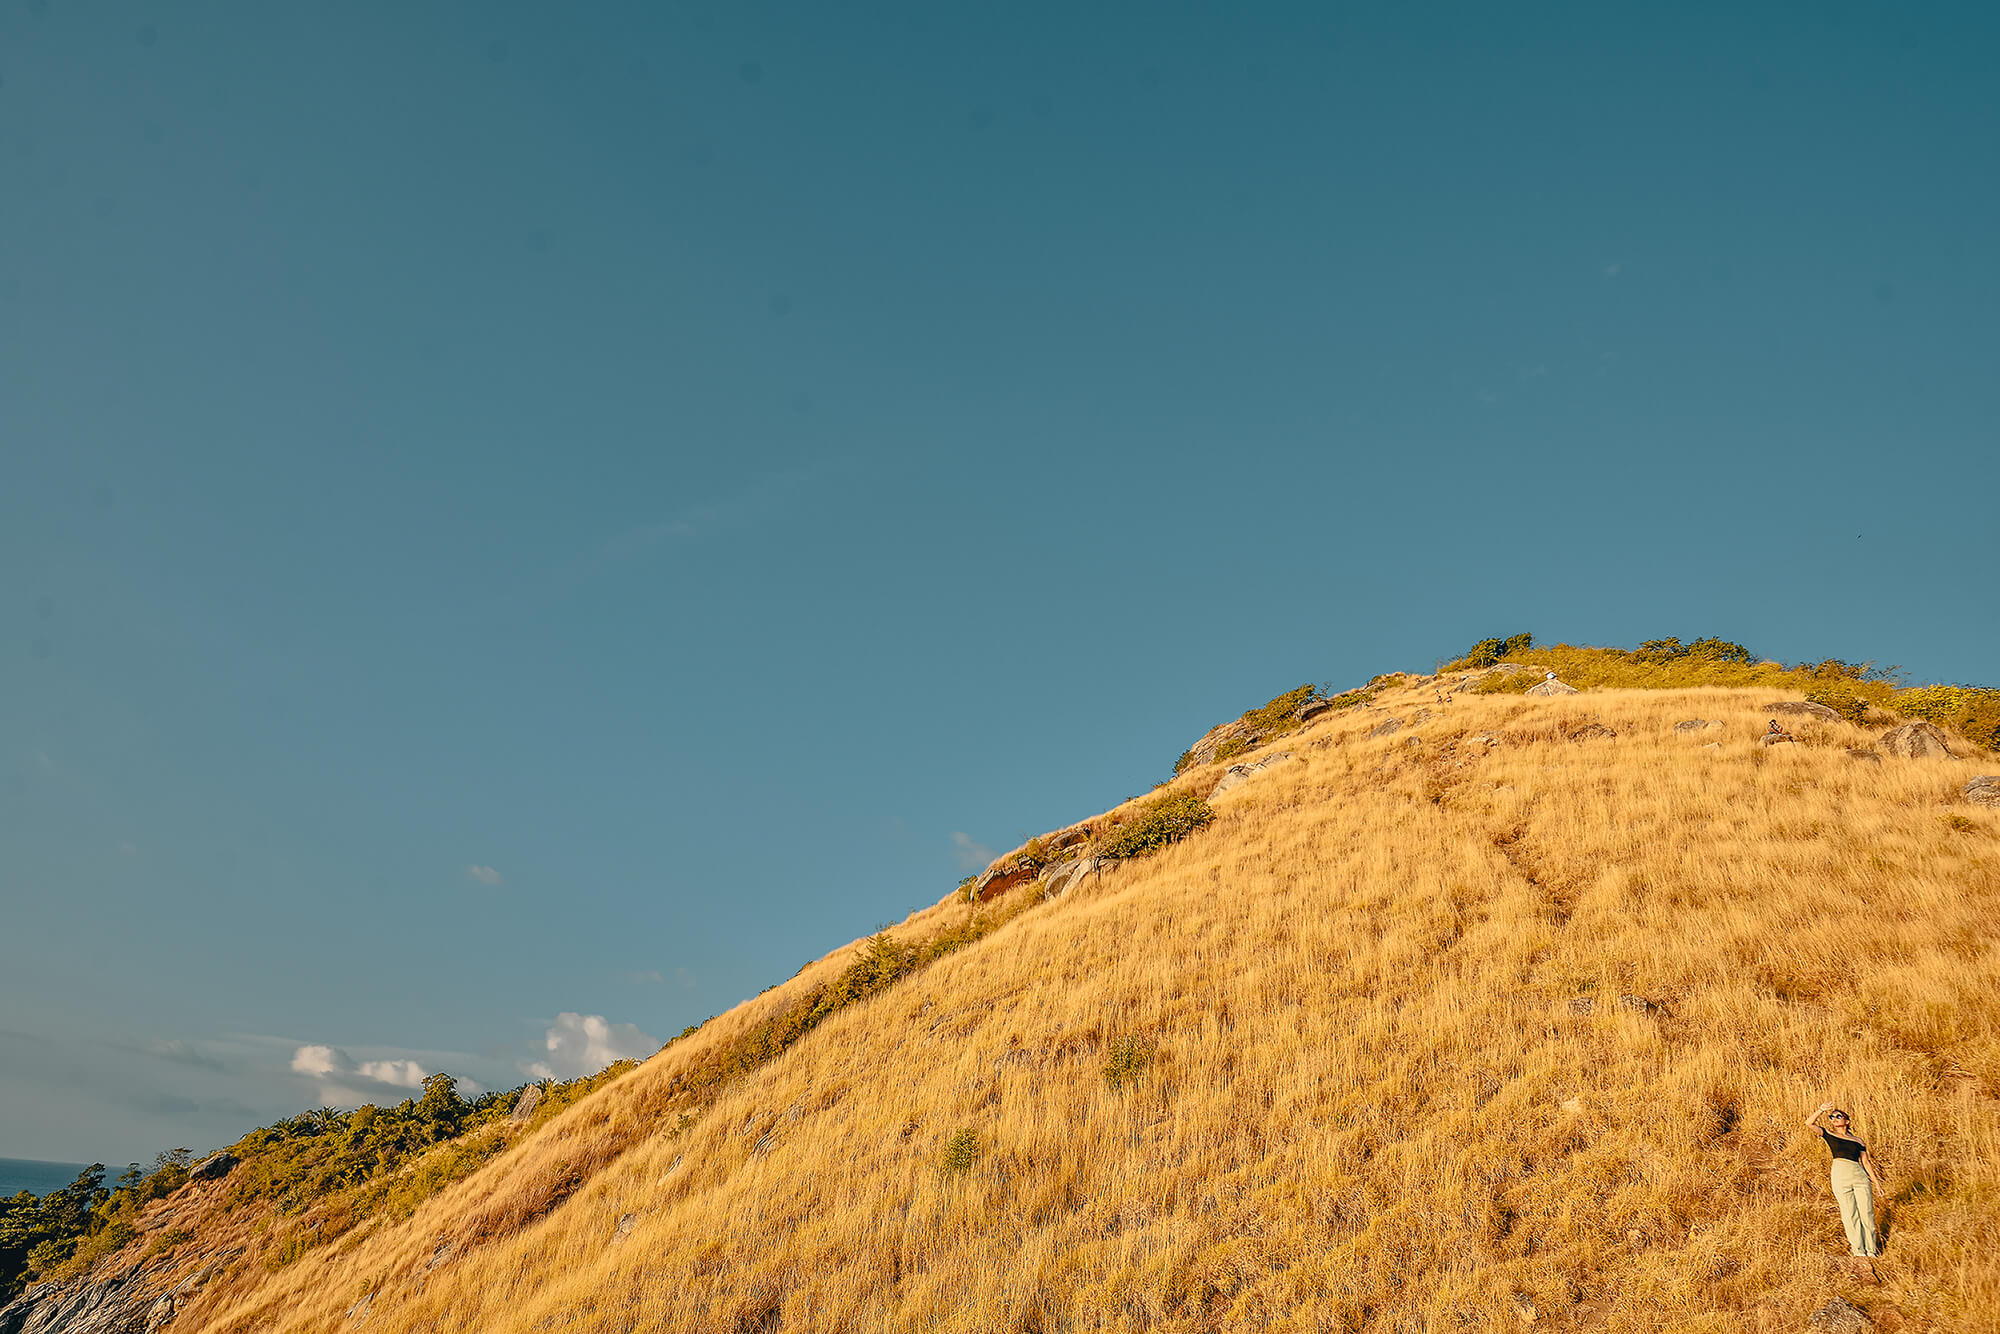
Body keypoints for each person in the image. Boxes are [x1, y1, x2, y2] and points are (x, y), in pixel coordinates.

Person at [1804, 1101, 1884, 1276]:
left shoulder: (1857, 1140)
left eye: (1838, 1116)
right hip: (1840, 1174)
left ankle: (1872, 1250)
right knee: (1849, 1213)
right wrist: (1821, 1110)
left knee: (1867, 1212)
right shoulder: (1830, 1135)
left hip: (1859, 1175)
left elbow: (1865, 1162)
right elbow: (1808, 1124)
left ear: (1847, 1120)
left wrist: (1876, 1182)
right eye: (1832, 1117)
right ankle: (1859, 1250)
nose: (1834, 1119)